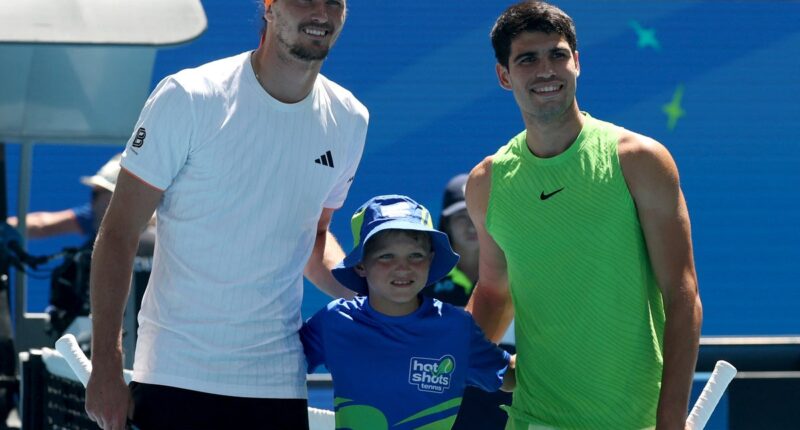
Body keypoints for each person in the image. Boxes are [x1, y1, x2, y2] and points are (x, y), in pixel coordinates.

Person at [85, 0, 369, 428]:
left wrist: (374, 300)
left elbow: (315, 239)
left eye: (334, 2)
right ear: (269, 8)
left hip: (277, 384)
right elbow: (119, 233)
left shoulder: (350, 119)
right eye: (305, 0)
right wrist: (105, 363)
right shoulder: (189, 96)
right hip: (174, 376)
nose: (320, 13)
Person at [465, 2, 703, 429]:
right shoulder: (487, 182)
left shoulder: (640, 160)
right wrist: (440, 359)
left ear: (577, 62)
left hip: (637, 421)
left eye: (557, 55)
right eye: (527, 59)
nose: (546, 70)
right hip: (533, 418)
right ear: (504, 76)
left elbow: (682, 293)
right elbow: (495, 295)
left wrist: (670, 419)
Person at [301, 195, 515, 429]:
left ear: (430, 261)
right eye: (386, 256)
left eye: (415, 255)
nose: (403, 267)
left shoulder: (457, 328)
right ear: (361, 265)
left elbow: (511, 377)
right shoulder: (334, 321)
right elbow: (281, 366)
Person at [422, 173, 514, 429]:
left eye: (480, 214)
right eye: (461, 217)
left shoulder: (522, 277)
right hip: (447, 418)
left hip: (511, 416)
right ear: (446, 224)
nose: (472, 224)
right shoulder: (422, 282)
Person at [7, 153, 121, 240]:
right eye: (95, 195)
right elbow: (43, 225)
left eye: (103, 193)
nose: (95, 202)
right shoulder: (93, 215)